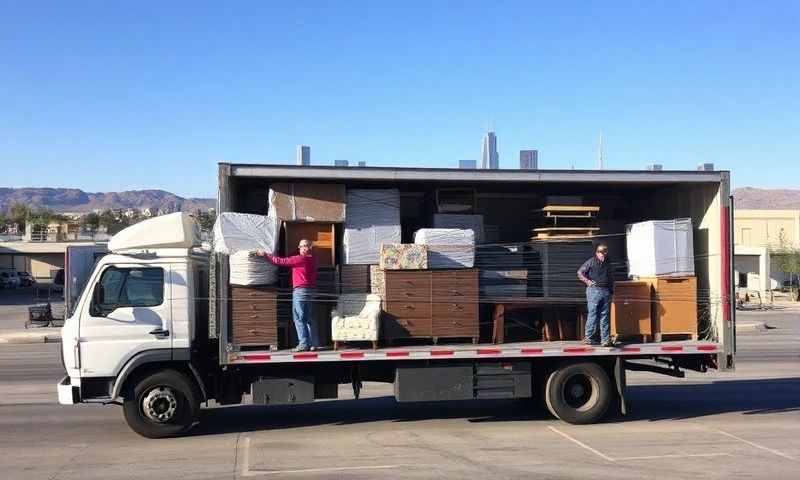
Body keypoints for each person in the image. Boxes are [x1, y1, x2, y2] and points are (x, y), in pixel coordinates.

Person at [252, 239, 319, 352]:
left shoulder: (300, 259)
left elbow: (281, 261)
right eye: (301, 246)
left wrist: (266, 255)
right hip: (310, 291)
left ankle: (303, 344)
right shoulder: (313, 259)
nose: (303, 248)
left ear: (310, 247)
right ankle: (314, 344)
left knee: (299, 318)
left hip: (300, 291)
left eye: (306, 246)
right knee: (308, 318)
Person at [577, 243, 615, 347]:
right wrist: (588, 282)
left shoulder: (608, 263)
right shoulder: (591, 262)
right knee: (593, 315)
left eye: (605, 252)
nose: (603, 255)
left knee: (605, 316)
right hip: (594, 291)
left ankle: (605, 340)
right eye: (601, 252)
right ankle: (588, 338)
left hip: (605, 291)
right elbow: (580, 272)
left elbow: (611, 277)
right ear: (597, 253)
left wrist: (611, 291)